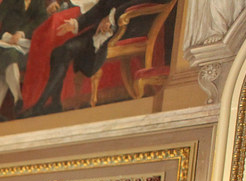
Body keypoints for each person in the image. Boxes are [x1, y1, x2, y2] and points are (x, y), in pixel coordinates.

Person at [20, 0, 166, 117]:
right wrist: (77, 23)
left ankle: (40, 105)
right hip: (110, 26)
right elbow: (102, 6)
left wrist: (112, 17)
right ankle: (53, 104)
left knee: (69, 49)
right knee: (61, 50)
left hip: (129, 26)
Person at [0, 0, 51, 122]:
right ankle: (19, 98)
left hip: (23, 47)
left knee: (6, 70)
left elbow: (42, 19)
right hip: (3, 45)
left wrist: (22, 32)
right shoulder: (9, 2)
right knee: (9, 57)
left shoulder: (38, 3)